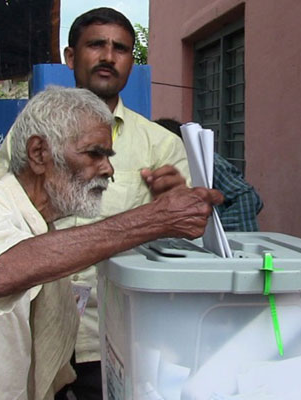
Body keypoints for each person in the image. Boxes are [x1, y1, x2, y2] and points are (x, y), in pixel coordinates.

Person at [0, 87, 222, 400]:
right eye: (95, 154)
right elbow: (2, 271)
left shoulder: (38, 225)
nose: (108, 169)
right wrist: (152, 219)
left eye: (109, 156)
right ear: (38, 154)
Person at [56, 9, 193, 399]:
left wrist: (175, 209)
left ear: (130, 62)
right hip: (34, 324)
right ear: (70, 56)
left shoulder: (161, 145)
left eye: (120, 49)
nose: (108, 56)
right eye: (96, 44)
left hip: (112, 336)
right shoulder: (33, 134)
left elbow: (187, 248)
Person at [154, 118, 264, 231]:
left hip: (230, 240)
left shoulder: (208, 162)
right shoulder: (157, 167)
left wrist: (220, 231)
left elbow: (247, 196)